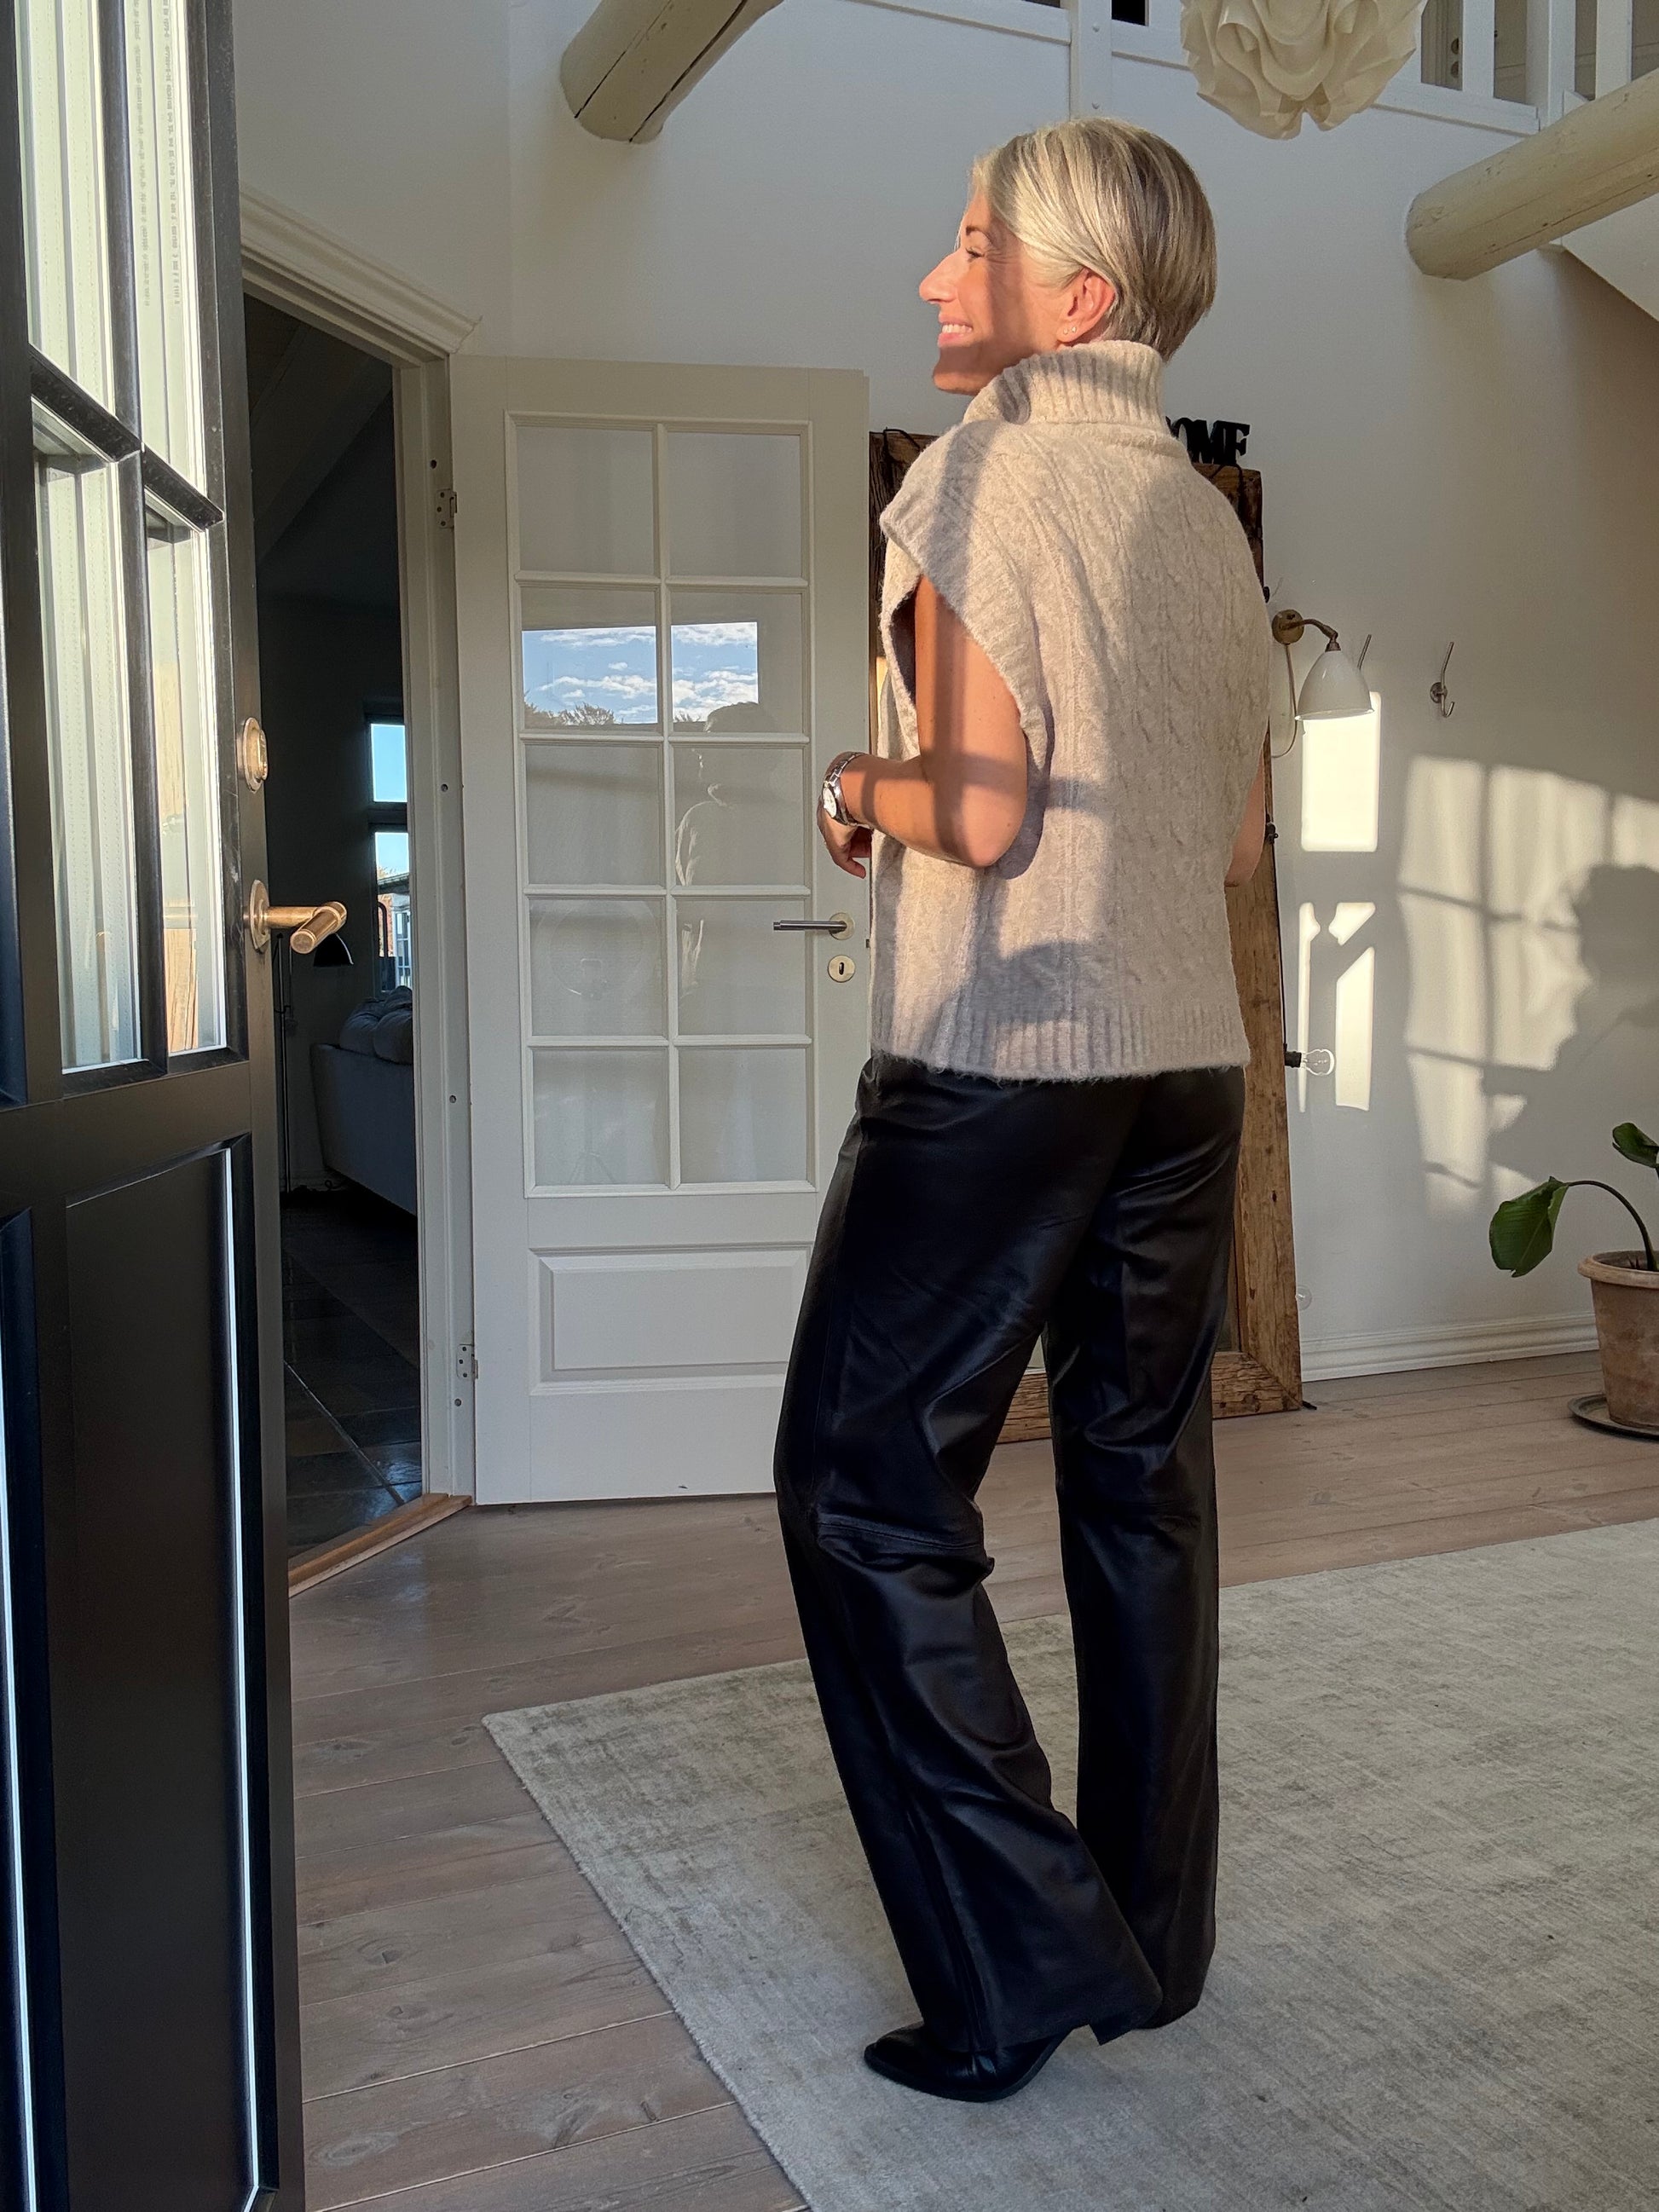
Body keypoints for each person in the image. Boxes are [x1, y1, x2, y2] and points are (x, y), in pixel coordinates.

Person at [772, 116, 1272, 2105]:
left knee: (861, 1488)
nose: (933, 275)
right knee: (1141, 1480)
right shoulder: (1204, 518)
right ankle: (1153, 1934)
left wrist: (849, 783)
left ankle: (1019, 1963)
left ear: (1069, 295)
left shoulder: (976, 476)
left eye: (969, 246)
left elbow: (976, 811)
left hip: (1002, 1055)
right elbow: (1229, 847)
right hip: (1184, 1057)